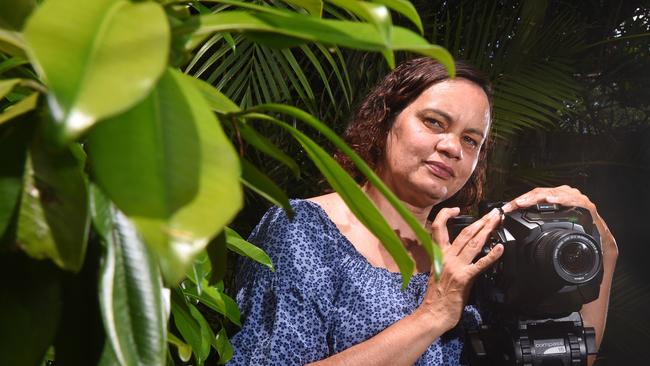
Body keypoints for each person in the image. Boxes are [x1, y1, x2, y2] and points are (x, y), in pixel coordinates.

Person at [227, 58, 618, 365]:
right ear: (385, 120)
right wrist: (431, 316)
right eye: (434, 122)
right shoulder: (305, 231)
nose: (452, 147)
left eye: (470, 140)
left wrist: (604, 250)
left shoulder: (476, 251)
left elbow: (563, 356)